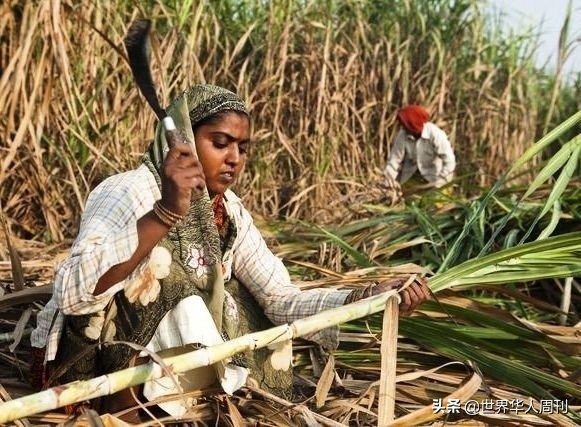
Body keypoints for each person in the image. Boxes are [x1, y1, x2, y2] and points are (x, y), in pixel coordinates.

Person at [30, 85, 431, 420]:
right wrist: (165, 212)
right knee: (177, 283)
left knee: (218, 292)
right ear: (182, 141)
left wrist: (369, 296)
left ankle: (197, 401)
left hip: (186, 376)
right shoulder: (128, 191)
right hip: (109, 374)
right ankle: (130, 411)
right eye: (220, 143)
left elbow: (280, 299)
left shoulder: (229, 212)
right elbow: (73, 293)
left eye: (243, 147)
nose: (235, 159)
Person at [384, 105, 456, 189]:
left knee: (437, 200)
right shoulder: (402, 134)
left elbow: (450, 161)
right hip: (410, 178)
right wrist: (389, 180)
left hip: (434, 177)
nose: (403, 127)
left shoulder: (435, 134)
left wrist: (440, 182)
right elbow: (394, 160)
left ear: (412, 123)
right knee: (407, 200)